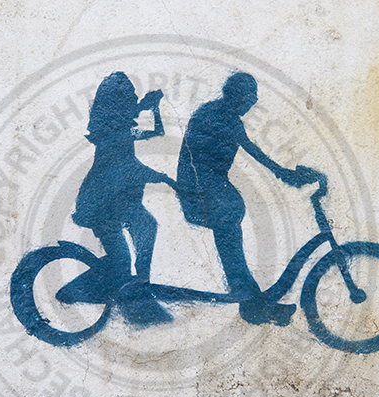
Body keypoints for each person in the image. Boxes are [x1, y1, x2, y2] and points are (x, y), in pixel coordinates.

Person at [177, 72, 311, 326]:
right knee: (230, 227)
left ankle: (252, 302)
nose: (251, 105)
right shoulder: (215, 116)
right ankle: (250, 302)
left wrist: (282, 172)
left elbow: (251, 149)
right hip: (201, 190)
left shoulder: (225, 117)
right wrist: (282, 173)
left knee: (232, 239)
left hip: (210, 188)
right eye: (250, 99)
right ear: (237, 96)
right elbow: (248, 150)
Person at [59, 72, 177, 310]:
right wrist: (164, 178)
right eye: (130, 96)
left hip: (116, 202)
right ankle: (75, 291)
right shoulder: (115, 134)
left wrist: (153, 108)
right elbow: (130, 167)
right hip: (103, 204)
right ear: (118, 104)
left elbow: (157, 132)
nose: (135, 99)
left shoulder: (120, 130)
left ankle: (140, 280)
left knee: (144, 227)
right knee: (122, 257)